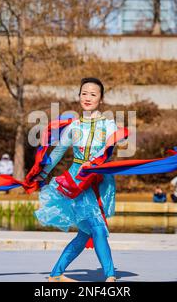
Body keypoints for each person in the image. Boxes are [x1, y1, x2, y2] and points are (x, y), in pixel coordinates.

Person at [33, 77, 118, 282]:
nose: (87, 97)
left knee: (85, 232)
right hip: (77, 181)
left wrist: (96, 161)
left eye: (93, 94)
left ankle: (56, 274)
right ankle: (110, 277)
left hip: (98, 179)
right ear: (79, 96)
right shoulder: (74, 126)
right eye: (84, 93)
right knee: (97, 227)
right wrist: (40, 175)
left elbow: (109, 148)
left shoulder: (109, 124)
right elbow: (57, 153)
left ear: (101, 98)